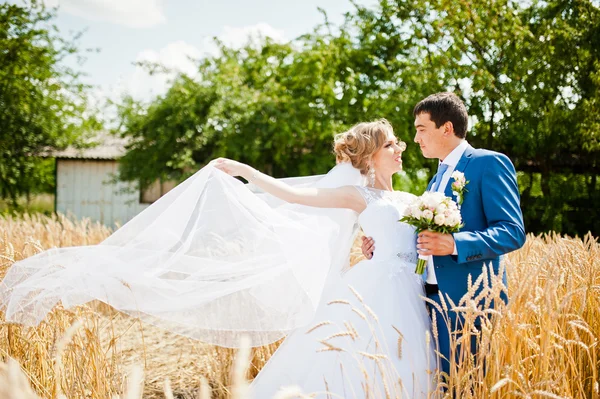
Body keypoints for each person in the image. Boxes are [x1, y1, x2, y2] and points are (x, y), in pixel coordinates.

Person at [213, 119, 436, 398]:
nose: (399, 149)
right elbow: (296, 196)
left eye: (397, 143)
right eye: (390, 145)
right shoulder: (358, 195)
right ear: (370, 155)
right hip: (377, 291)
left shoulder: (413, 199)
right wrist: (247, 172)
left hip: (414, 290)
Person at [361, 92, 526, 376]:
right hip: (429, 302)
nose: (415, 139)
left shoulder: (488, 164)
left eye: (421, 129)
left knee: (469, 385)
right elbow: (425, 238)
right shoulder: (435, 179)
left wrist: (454, 244)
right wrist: (381, 245)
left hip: (470, 301)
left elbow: (512, 231)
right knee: (444, 385)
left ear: (446, 128)